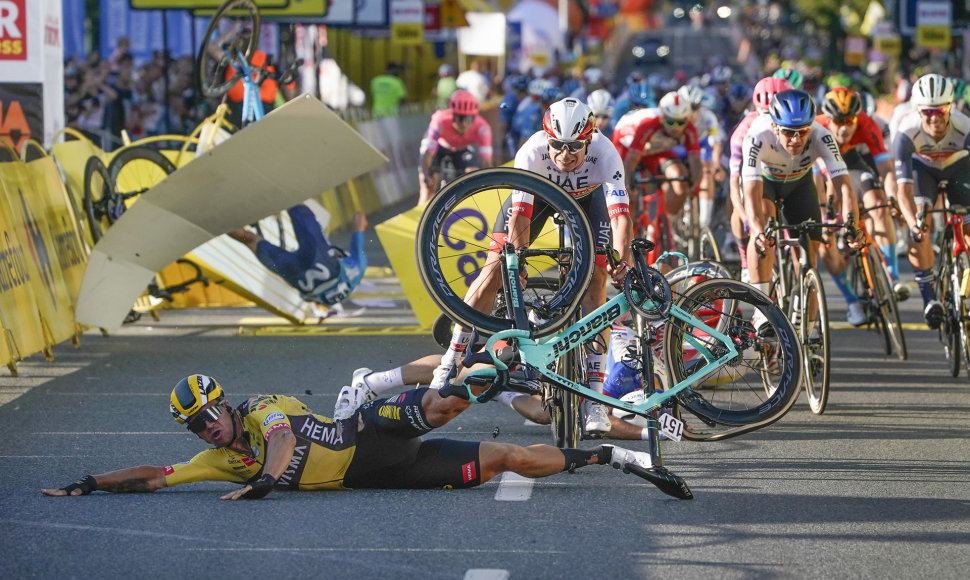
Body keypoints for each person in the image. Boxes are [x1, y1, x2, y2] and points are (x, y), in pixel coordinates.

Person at [41, 374, 692, 499]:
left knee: (442, 405)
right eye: (197, 424)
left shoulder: (265, 409)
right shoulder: (218, 461)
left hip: (367, 432)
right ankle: (619, 457)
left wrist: (267, 482)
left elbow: (284, 448)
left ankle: (499, 367)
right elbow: (158, 476)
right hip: (379, 474)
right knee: (505, 460)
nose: (209, 426)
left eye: (211, 413)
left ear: (227, 404)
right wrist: (92, 483)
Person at [431, 98, 633, 436]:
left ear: (589, 140)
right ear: (547, 138)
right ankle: (451, 356)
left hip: (588, 201)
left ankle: (595, 399)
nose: (565, 155)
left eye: (575, 147)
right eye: (558, 145)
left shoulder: (606, 153)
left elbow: (621, 217)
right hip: (536, 198)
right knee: (495, 267)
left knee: (596, 281)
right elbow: (521, 215)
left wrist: (620, 260)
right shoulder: (532, 151)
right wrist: (516, 262)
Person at [741, 89, 859, 322]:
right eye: (788, 132)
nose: (796, 140)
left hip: (800, 184)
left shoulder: (822, 135)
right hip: (767, 184)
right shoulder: (757, 135)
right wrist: (756, 231)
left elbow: (844, 186)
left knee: (808, 259)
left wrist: (852, 225)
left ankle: (809, 327)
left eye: (802, 132)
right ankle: (761, 311)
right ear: (775, 127)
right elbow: (751, 195)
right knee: (762, 232)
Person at [815, 87, 907, 306]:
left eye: (850, 120)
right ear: (828, 119)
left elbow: (885, 169)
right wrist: (824, 215)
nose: (845, 127)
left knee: (878, 204)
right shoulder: (816, 128)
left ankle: (891, 276)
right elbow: (816, 178)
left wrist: (892, 199)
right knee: (824, 237)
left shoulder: (867, 123)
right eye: (839, 121)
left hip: (850, 160)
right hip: (821, 166)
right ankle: (851, 301)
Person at [892, 74, 970, 329]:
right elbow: (902, 190)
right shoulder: (906, 132)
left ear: (950, 107)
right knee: (919, 228)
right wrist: (912, 223)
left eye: (940, 111)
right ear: (918, 110)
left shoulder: (965, 126)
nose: (934, 118)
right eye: (928, 112)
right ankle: (929, 299)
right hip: (923, 170)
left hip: (958, 168)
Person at [227, 205, 368, 313]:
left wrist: (361, 218)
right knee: (251, 241)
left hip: (325, 265)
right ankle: (217, 221)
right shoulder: (325, 300)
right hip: (300, 280)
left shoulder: (359, 267)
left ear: (339, 255)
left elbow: (359, 219)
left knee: (297, 206)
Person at [612, 91, 702, 233]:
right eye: (670, 122)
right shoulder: (649, 123)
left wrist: (694, 185)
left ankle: (667, 227)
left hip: (654, 150)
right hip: (626, 147)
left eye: (680, 123)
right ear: (662, 117)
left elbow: (695, 159)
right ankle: (625, 236)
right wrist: (627, 185)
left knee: (680, 176)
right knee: (628, 196)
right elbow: (632, 159)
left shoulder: (690, 128)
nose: (675, 128)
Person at [417, 89, 494, 205]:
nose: (464, 124)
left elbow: (487, 162)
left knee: (473, 175)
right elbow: (428, 154)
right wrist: (427, 175)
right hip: (439, 147)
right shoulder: (440, 120)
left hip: (462, 148)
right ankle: (420, 220)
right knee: (428, 188)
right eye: (459, 118)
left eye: (468, 119)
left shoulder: (482, 127)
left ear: (475, 117)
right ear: (452, 115)